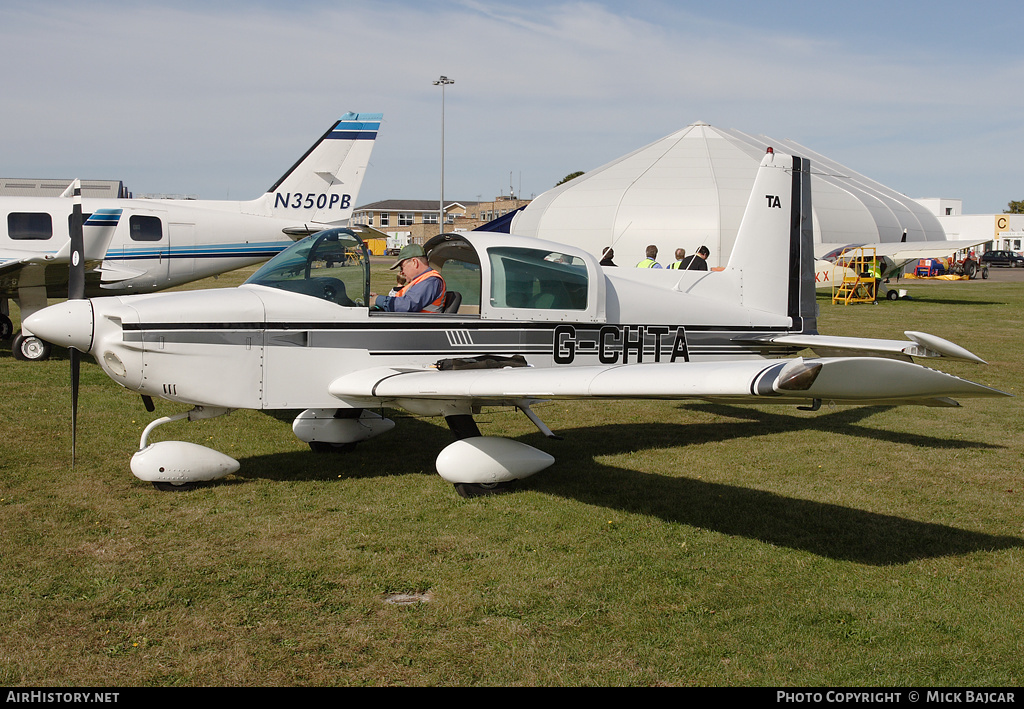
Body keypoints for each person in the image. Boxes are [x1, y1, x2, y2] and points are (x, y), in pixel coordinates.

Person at [370, 244, 446, 312]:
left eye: (402, 267)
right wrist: (382, 299)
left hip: (419, 326)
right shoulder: (421, 281)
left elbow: (406, 305)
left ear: (414, 262)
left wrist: (377, 299)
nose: (402, 272)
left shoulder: (430, 281)